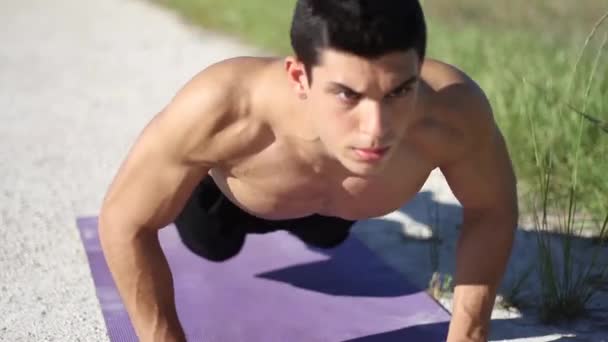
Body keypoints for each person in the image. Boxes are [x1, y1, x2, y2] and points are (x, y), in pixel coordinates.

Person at [98, 0, 518, 341]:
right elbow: (124, 221)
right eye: (347, 94)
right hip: (231, 205)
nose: (376, 130)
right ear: (300, 77)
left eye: (399, 91)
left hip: (338, 210)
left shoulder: (451, 113)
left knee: (329, 230)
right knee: (212, 244)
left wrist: (470, 333)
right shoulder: (223, 108)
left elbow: (491, 208)